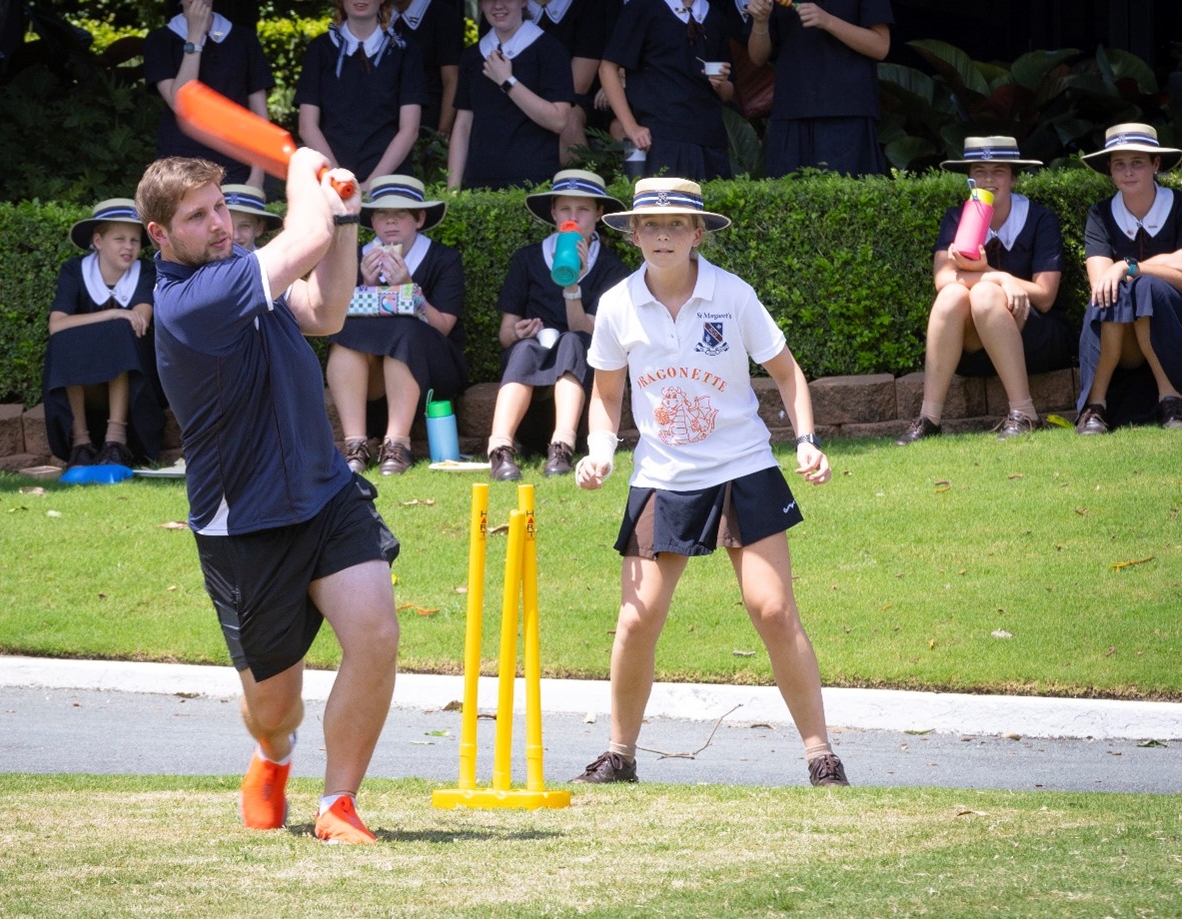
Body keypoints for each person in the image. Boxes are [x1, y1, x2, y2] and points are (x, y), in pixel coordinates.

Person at [138, 152, 401, 844]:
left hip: (324, 492)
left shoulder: (240, 274)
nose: (220, 223)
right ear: (159, 236)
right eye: (197, 216)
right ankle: (272, 756)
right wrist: (306, 175)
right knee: (274, 705)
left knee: (375, 633)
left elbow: (325, 307)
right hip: (246, 522)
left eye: (221, 206)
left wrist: (344, 220)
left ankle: (337, 803)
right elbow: (302, 240)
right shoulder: (192, 301)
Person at [571, 177, 849, 788]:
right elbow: (606, 395)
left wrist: (805, 440)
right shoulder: (617, 303)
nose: (662, 235)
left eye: (676, 225)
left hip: (743, 467)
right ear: (634, 233)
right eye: (650, 224)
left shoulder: (734, 295)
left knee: (772, 609)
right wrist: (598, 451)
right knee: (637, 619)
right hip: (662, 478)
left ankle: (821, 754)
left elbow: (787, 372)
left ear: (698, 234)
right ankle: (620, 753)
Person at [895, 136, 1072, 445]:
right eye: (980, 170)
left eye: (999, 171)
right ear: (970, 178)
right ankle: (930, 418)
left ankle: (1025, 412)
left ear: (1013, 177)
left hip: (1036, 338)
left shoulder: (1039, 218)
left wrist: (993, 278)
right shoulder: (958, 217)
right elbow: (942, 280)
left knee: (984, 294)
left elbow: (1045, 296)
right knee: (952, 296)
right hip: (972, 349)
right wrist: (1001, 280)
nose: (989, 179)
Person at [486, 169, 630, 481]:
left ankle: (561, 446)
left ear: (598, 213)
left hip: (580, 373)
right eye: (565, 208)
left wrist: (572, 285)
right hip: (532, 366)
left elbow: (589, 330)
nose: (574, 217)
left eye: (583, 209)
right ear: (553, 212)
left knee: (573, 342)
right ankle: (500, 448)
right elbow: (505, 334)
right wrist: (518, 331)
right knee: (524, 348)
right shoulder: (527, 259)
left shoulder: (611, 269)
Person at [328, 175, 467, 476]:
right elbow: (335, 316)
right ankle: (355, 445)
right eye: (382, 215)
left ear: (418, 218)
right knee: (346, 336)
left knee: (403, 334)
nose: (390, 222)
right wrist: (366, 283)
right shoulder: (356, 257)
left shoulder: (444, 259)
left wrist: (408, 288)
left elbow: (443, 326)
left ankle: (397, 444)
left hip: (431, 370)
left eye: (400, 214)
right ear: (372, 221)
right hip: (371, 381)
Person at [1074, 123, 1182, 434]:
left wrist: (1130, 267)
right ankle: (1095, 405)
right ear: (1109, 169)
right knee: (1113, 291)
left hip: (1174, 325)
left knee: (1145, 286)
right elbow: (1100, 282)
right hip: (1121, 336)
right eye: (1119, 164)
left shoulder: (1179, 206)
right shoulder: (1100, 214)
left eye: (1137, 162)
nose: (1128, 172)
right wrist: (1156, 265)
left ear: (1156, 164)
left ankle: (1171, 398)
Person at [43, 199, 165, 468]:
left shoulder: (145, 271)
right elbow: (57, 325)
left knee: (122, 333)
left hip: (135, 379)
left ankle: (116, 440)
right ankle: (80, 442)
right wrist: (113, 313)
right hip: (84, 384)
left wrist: (117, 321)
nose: (129, 247)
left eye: (134, 240)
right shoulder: (75, 271)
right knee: (65, 342)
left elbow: (141, 319)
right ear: (98, 241)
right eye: (119, 239)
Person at [743, 0, 892, 179]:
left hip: (847, 112)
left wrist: (828, 21)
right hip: (791, 110)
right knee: (787, 200)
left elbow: (880, 46)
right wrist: (760, 22)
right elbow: (757, 57)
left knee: (846, 197)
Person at [599, 0, 737, 183]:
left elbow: (728, 93)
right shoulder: (642, 7)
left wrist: (720, 83)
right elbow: (607, 68)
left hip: (710, 141)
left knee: (709, 211)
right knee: (654, 210)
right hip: (656, 138)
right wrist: (630, 126)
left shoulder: (715, 16)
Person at [297, 0, 426, 190]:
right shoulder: (319, 49)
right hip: (329, 181)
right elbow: (307, 127)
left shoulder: (405, 50)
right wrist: (338, 179)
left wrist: (373, 184)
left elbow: (410, 129)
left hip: (389, 182)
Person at [144, 0, 275, 187]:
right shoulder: (160, 40)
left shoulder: (244, 39)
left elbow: (260, 116)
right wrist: (195, 38)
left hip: (236, 166)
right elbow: (181, 104)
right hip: (178, 169)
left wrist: (257, 175)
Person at [447, 0, 574, 191]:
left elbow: (558, 120)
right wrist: (453, 189)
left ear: (523, 1)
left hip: (534, 182)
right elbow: (464, 123)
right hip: (479, 183)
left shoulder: (550, 49)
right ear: (481, 5)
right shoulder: (472, 56)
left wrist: (507, 81)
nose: (497, 5)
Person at [391, 0, 466, 138]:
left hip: (428, 121)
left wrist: (442, 133)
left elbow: (452, 79)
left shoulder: (442, 14)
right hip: (382, 124)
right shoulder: (374, 14)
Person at [222, 183, 281, 250]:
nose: (236, 236)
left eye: (245, 226)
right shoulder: (208, 259)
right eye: (227, 226)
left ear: (259, 228)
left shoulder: (270, 260)